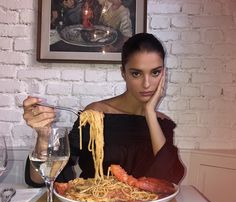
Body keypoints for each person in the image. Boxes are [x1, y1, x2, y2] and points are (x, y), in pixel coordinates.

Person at [23, 33, 185, 187]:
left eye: (155, 72)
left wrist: (150, 113)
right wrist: (44, 138)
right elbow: (42, 178)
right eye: (136, 74)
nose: (147, 84)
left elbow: (168, 180)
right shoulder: (95, 114)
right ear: (123, 73)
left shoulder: (163, 123)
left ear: (164, 74)